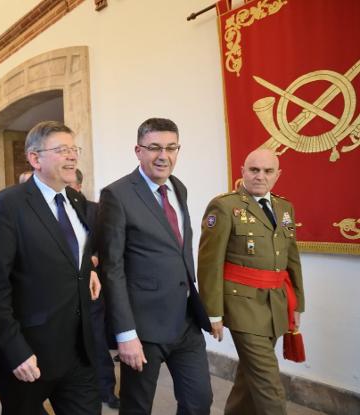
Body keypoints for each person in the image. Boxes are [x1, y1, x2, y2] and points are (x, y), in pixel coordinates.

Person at [0, 121, 101, 415]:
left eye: (74, 149)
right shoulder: (8, 205)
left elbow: (72, 255)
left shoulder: (76, 200)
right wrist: (15, 349)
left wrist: (88, 272)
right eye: (62, 150)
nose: (72, 156)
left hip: (79, 351)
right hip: (30, 354)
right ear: (35, 159)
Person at [97, 118, 213, 414]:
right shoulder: (117, 195)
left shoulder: (179, 188)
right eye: (154, 148)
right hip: (143, 327)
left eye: (171, 147)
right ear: (138, 150)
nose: (164, 155)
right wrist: (125, 334)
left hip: (186, 320)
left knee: (199, 401)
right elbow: (112, 268)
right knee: (137, 407)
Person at [197, 148, 305, 415]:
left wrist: (297, 305)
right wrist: (213, 313)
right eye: (254, 170)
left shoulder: (284, 207)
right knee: (270, 385)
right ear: (243, 171)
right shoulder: (224, 206)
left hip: (275, 304)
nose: (260, 176)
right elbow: (209, 263)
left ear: (277, 175)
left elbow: (291, 257)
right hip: (241, 305)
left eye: (268, 171)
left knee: (250, 375)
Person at [67, 169, 120, 410]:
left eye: (69, 185)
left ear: (78, 186)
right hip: (61, 290)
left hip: (91, 289)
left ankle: (106, 390)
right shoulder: (47, 211)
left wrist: (95, 257)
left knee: (97, 340)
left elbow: (109, 243)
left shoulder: (96, 209)